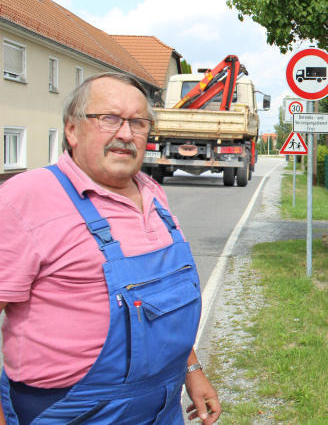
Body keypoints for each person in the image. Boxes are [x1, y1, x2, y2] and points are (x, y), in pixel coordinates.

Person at [0, 73, 221, 425]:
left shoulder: (153, 193)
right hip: (69, 412)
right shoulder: (25, 198)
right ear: (72, 130)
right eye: (109, 119)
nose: (125, 133)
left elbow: (159, 308)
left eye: (138, 122)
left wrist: (191, 370)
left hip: (162, 409)